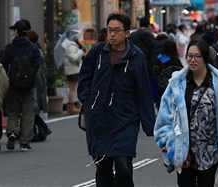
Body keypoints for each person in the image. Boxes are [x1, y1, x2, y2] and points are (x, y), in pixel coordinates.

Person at [78, 13, 156, 187]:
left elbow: (143, 91)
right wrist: (88, 99)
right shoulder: (97, 52)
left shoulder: (136, 56)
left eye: (117, 31)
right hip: (99, 118)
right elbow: (84, 79)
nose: (112, 34)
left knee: (123, 164)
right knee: (102, 166)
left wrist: (149, 124)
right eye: (110, 30)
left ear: (127, 33)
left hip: (125, 118)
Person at [154, 40, 218, 187]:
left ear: (206, 58)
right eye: (189, 56)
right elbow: (165, 112)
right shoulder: (177, 84)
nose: (192, 60)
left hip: (211, 151)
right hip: (184, 150)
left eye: (197, 56)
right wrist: (166, 140)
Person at [0, 20, 42, 152]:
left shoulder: (8, 48)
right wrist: (30, 78)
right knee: (28, 113)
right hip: (29, 85)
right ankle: (24, 142)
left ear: (16, 32)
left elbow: (3, 67)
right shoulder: (33, 48)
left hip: (13, 85)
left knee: (13, 111)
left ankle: (12, 132)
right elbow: (37, 64)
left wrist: (9, 80)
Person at [153, 39, 183, 105]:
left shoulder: (159, 59)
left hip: (161, 86)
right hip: (173, 88)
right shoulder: (176, 61)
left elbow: (155, 72)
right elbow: (181, 74)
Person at [26, 30, 48, 117]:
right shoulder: (37, 47)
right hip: (38, 73)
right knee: (40, 91)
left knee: (36, 93)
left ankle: (37, 112)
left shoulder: (30, 48)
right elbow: (42, 60)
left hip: (33, 73)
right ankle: (41, 111)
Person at [63, 31, 86, 114]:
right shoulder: (71, 46)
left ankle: (72, 106)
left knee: (73, 88)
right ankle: (71, 106)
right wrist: (82, 51)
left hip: (73, 69)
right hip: (73, 70)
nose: (77, 38)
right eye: (76, 36)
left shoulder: (70, 45)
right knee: (72, 89)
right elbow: (74, 58)